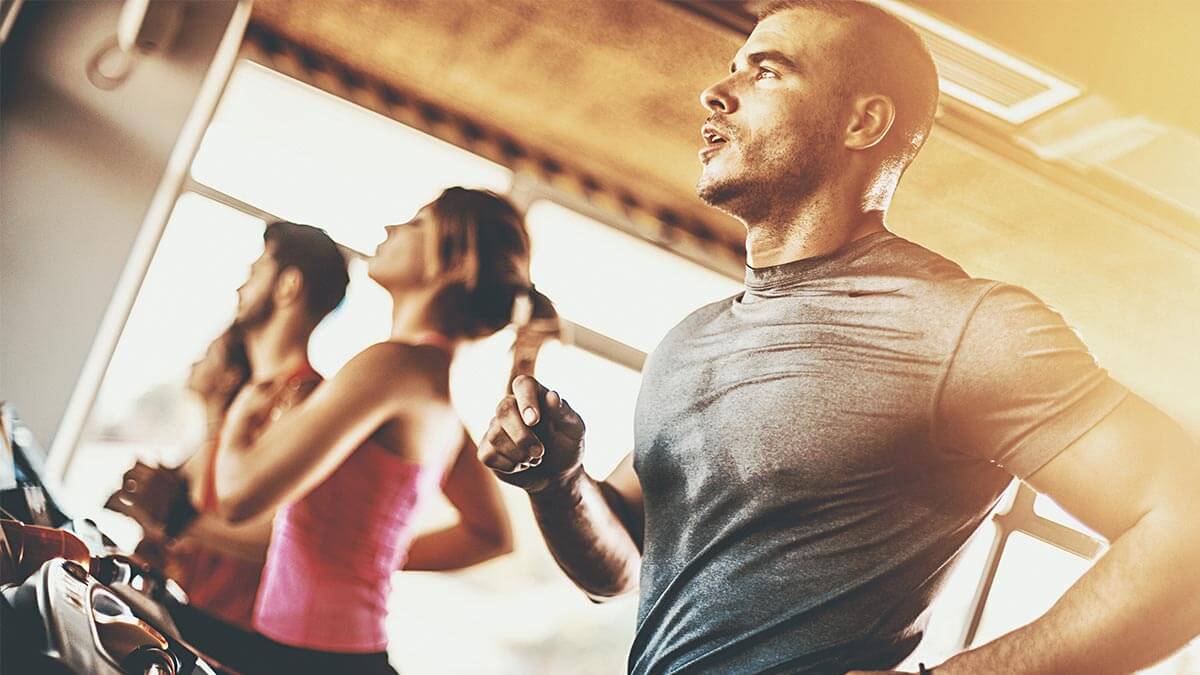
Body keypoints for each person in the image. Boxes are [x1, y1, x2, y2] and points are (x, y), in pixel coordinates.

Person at [477, 2, 1200, 673]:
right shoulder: (689, 343)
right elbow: (623, 569)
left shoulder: (964, 327)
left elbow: (1186, 532)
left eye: (766, 70)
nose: (715, 93)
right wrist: (557, 482)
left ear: (863, 123)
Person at [209, 187, 553, 675]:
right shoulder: (433, 393)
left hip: (310, 659)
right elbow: (490, 535)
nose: (392, 229)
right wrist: (367, 558)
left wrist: (239, 423)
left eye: (416, 223)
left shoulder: (390, 366)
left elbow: (239, 498)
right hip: (328, 653)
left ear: (454, 262)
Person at [108, 220, 350, 670]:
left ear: (288, 286)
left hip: (225, 644)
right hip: (179, 617)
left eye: (257, 270)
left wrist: (172, 518)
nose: (242, 286)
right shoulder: (247, 397)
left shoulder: (312, 402)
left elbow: (289, 540)